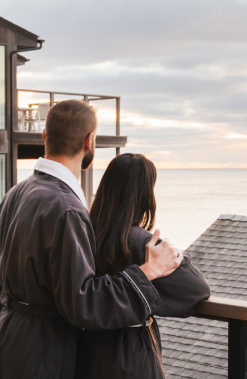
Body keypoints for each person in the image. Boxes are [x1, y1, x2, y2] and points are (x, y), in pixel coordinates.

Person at [0, 100, 182, 379]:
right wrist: (148, 271)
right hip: (45, 351)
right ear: (89, 141)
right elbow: (82, 302)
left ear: (45, 136)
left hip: (11, 337)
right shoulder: (66, 208)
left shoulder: (16, 194)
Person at [75, 153, 211, 379]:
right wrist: (168, 252)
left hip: (87, 349)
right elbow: (198, 290)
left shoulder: (85, 234)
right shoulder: (140, 243)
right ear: (145, 195)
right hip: (129, 353)